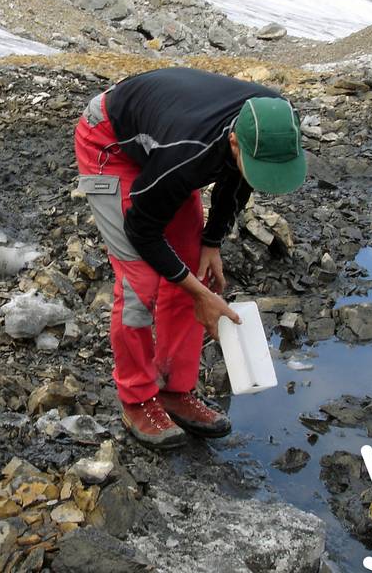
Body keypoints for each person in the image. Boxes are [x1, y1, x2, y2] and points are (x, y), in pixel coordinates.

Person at [75, 67, 306, 449]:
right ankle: (136, 399)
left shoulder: (274, 123)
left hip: (165, 135)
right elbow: (142, 230)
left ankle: (174, 390)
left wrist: (211, 242)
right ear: (234, 143)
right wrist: (199, 293)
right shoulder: (186, 154)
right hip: (110, 143)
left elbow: (238, 180)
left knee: (193, 269)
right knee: (140, 282)